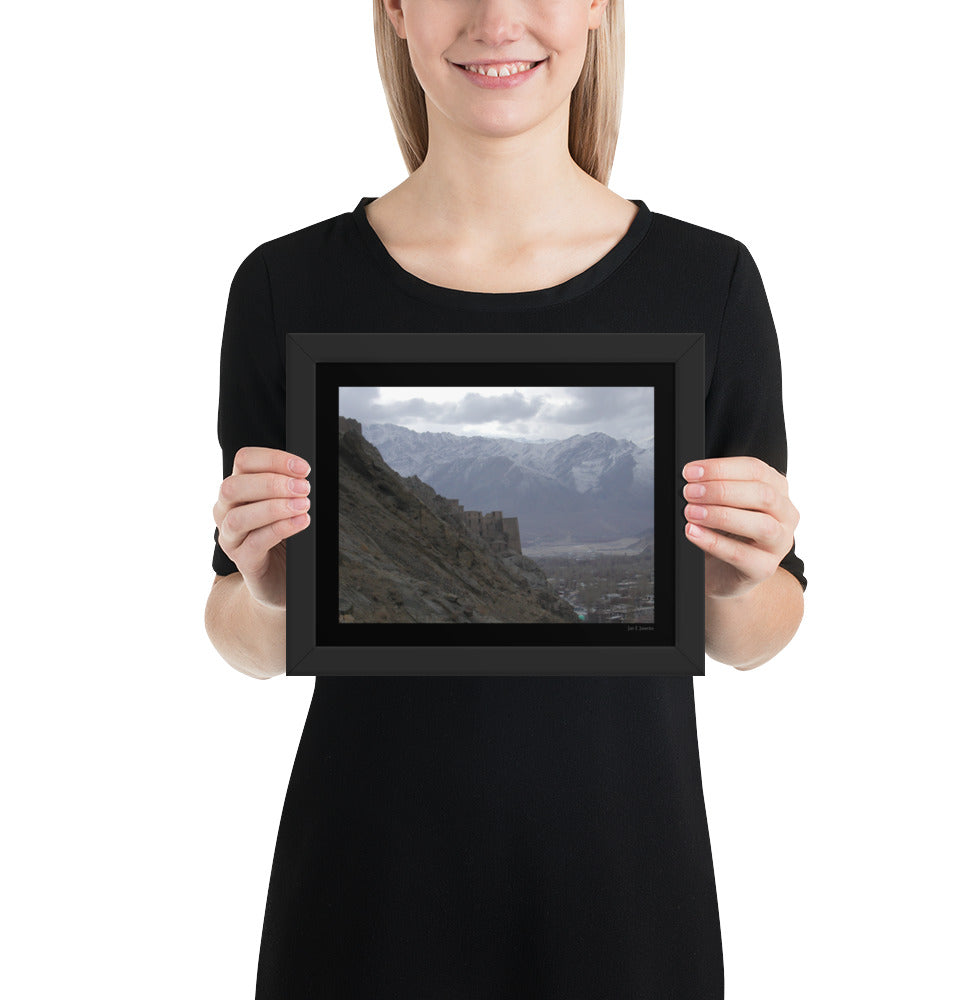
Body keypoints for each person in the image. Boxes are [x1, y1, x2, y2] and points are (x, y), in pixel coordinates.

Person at [205, 0, 807, 996]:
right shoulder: (285, 286)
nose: (496, 17)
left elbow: (757, 632)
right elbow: (236, 632)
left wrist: (744, 573)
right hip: (366, 897)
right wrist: (268, 584)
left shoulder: (709, 284)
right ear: (395, 9)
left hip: (622, 893)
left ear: (599, 9)